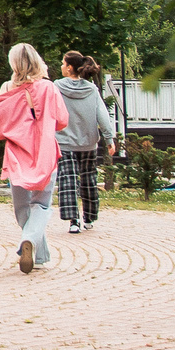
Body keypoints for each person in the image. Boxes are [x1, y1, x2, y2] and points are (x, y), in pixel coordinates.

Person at [0, 42, 68, 273]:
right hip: (44, 150)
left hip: (16, 153)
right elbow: (63, 120)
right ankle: (31, 242)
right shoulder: (49, 88)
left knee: (22, 207)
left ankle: (36, 250)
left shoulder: (6, 89)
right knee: (42, 205)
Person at [55, 51, 116, 234]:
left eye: (63, 63)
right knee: (89, 179)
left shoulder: (57, 87)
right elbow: (102, 115)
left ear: (70, 67)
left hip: (65, 142)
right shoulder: (92, 90)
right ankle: (89, 217)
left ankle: (73, 221)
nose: (61, 66)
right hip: (88, 142)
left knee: (68, 180)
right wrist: (109, 139)